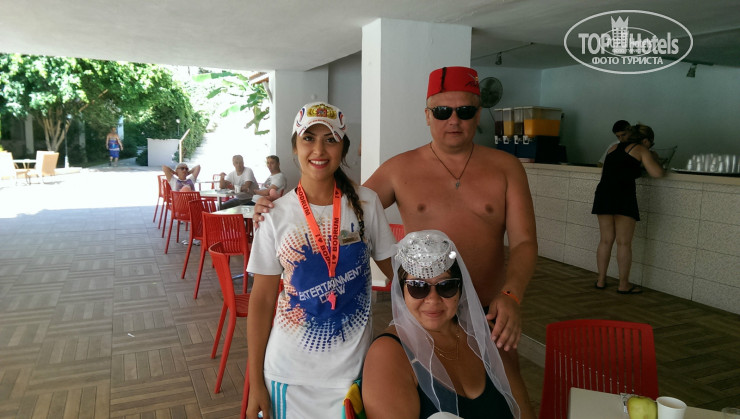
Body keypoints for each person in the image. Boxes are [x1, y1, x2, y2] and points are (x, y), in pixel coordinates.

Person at [255, 67, 538, 419]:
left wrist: (512, 294)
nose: (453, 120)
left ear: (478, 114)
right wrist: (273, 209)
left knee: (503, 408)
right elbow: (342, 205)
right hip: (425, 315)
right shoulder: (399, 169)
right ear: (427, 115)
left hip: (490, 316)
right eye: (442, 111)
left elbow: (525, 242)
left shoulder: (507, 167)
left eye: (465, 111)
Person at [245, 102, 396, 419]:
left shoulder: (367, 204)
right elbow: (261, 301)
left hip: (352, 376)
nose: (319, 149)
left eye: (330, 139)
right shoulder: (274, 215)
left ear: (343, 148)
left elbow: (399, 279)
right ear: (294, 147)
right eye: (308, 138)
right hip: (288, 376)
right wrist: (255, 380)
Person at [363, 230, 519, 419]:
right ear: (402, 290)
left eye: (446, 286)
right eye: (418, 287)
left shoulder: (485, 336)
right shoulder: (388, 354)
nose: (433, 299)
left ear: (460, 289)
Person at [592, 124, 664, 294]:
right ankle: (623, 285)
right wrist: (653, 158)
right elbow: (657, 173)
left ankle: (601, 280)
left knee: (605, 240)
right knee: (623, 242)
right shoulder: (641, 149)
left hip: (603, 194)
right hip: (623, 195)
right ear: (645, 140)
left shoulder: (613, 148)